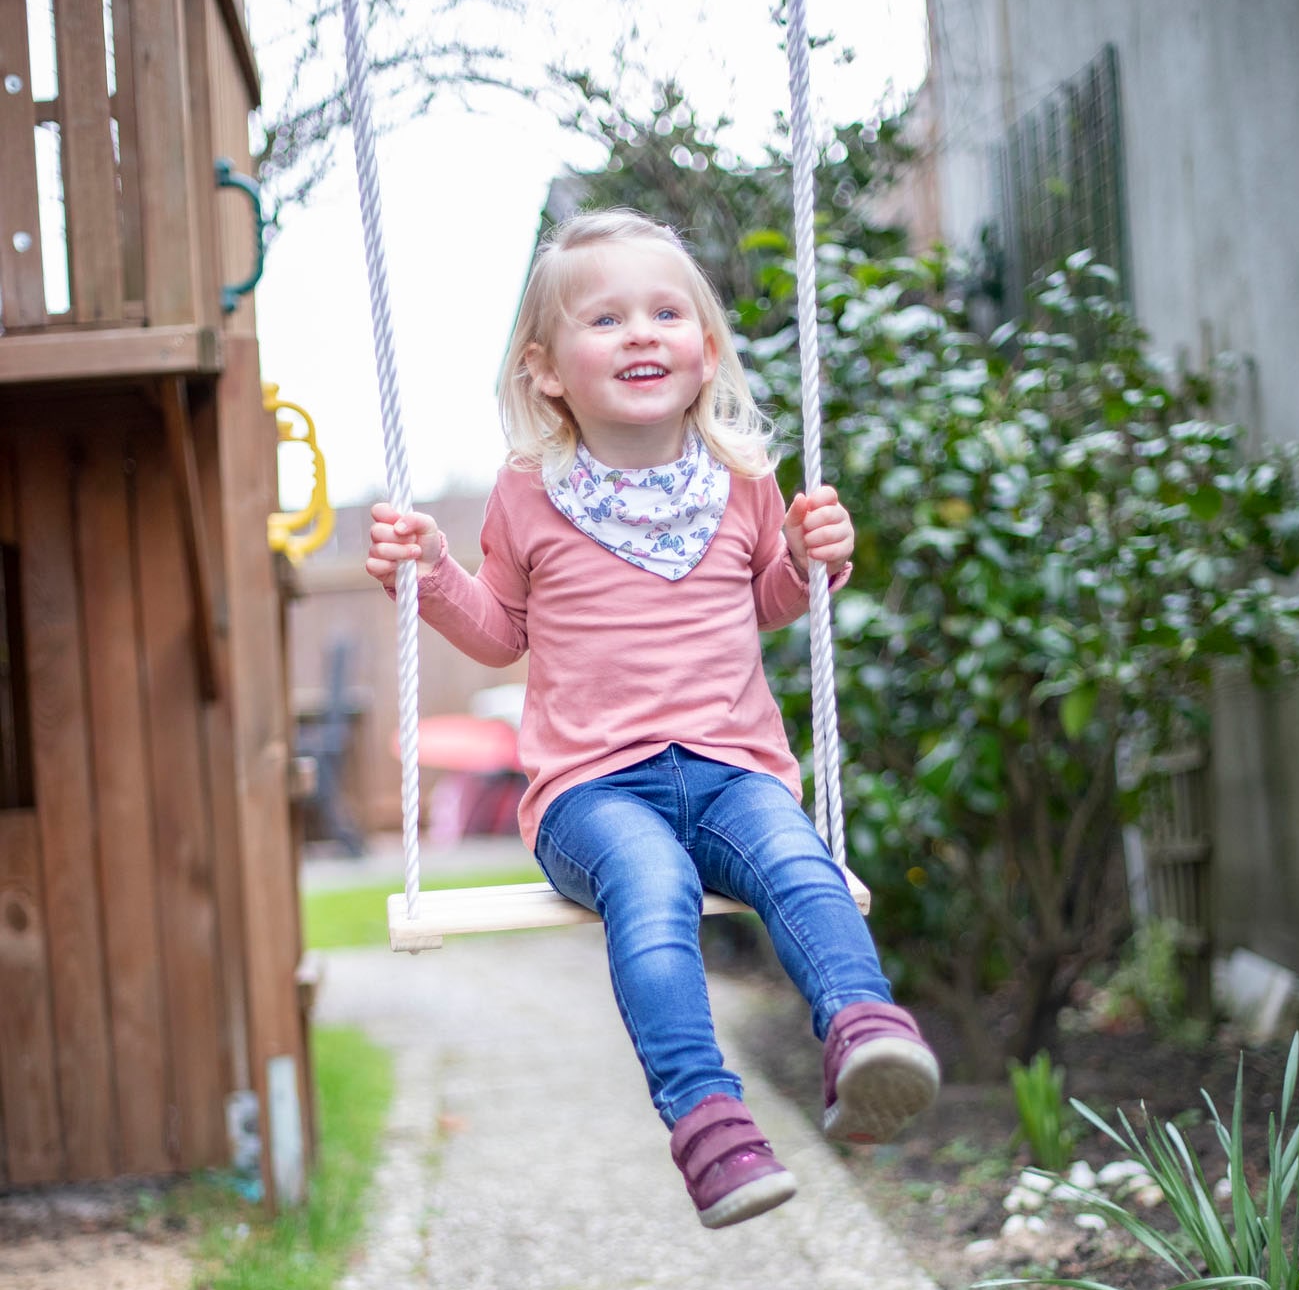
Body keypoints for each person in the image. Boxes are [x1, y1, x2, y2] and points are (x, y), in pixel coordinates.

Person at [367, 208, 939, 1229]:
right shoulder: (529, 491)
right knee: (652, 881)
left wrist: (810, 559)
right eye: (606, 319)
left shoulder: (744, 477)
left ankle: (863, 1032)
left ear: (705, 346)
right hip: (590, 791)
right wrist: (433, 574)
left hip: (732, 767)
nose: (640, 332)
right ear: (546, 369)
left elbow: (761, 600)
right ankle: (708, 1122)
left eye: (665, 311)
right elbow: (502, 633)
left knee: (797, 860)